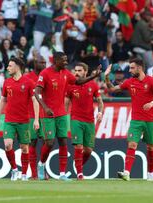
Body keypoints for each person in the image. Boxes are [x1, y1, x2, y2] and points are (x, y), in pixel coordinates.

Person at [35, 51, 101, 181]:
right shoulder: (45, 73)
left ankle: (62, 174)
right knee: (49, 142)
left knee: (63, 142)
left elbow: (78, 81)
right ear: (56, 61)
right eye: (64, 60)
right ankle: (41, 164)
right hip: (48, 114)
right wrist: (45, 107)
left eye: (66, 60)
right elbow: (37, 92)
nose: (66, 62)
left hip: (61, 114)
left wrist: (93, 76)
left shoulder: (65, 73)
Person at [104, 58, 153, 181]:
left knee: (152, 147)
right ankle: (126, 172)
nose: (129, 70)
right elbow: (112, 88)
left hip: (150, 120)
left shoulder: (151, 81)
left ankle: (152, 173)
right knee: (132, 144)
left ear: (139, 68)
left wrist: (152, 103)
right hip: (136, 120)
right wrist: (107, 77)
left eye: (132, 68)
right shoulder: (130, 82)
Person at [0, 57, 40, 181]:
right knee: (8, 145)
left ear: (17, 67)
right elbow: (2, 100)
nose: (7, 68)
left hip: (24, 120)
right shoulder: (7, 82)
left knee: (24, 148)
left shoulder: (29, 82)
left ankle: (24, 174)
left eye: (10, 66)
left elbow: (35, 100)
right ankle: (14, 170)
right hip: (9, 120)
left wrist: (36, 119)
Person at [65, 62, 103, 180]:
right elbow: (66, 103)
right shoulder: (70, 85)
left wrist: (100, 112)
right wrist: (63, 118)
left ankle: (78, 166)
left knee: (88, 150)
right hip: (76, 119)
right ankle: (80, 174)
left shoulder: (93, 85)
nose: (76, 72)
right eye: (75, 70)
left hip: (90, 121)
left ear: (85, 72)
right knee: (78, 147)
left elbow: (100, 101)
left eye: (79, 70)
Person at [24, 56, 46, 179]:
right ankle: (34, 173)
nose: (43, 64)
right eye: (41, 62)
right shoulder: (27, 78)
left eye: (45, 62)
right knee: (32, 143)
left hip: (45, 115)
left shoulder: (47, 77)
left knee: (47, 143)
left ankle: (42, 169)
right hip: (31, 115)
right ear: (34, 63)